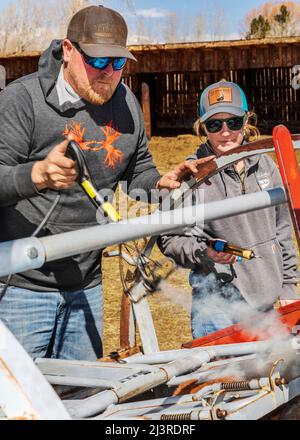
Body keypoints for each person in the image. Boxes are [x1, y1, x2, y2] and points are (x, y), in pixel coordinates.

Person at [0, 5, 211, 360]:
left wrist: (160, 181)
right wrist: (35, 175)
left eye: (118, 64)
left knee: (84, 399)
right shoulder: (22, 101)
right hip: (23, 286)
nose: (109, 74)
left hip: (88, 284)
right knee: (20, 407)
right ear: (68, 50)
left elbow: (135, 168)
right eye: (98, 62)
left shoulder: (126, 103)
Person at [158, 80, 299, 339]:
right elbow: (168, 238)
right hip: (217, 308)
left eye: (233, 122)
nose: (225, 132)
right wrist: (205, 253)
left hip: (268, 304)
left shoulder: (266, 167)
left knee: (276, 376)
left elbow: (283, 233)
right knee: (223, 379)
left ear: (246, 122)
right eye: (215, 124)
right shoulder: (191, 175)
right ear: (202, 127)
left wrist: (289, 288)